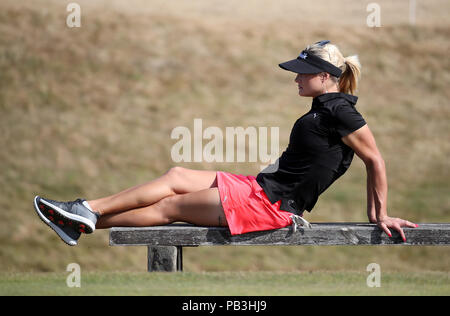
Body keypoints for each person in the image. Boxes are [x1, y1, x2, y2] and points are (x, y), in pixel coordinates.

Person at [33, 40, 417, 246]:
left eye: (302, 73)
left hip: (273, 207)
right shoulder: (323, 106)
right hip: (260, 189)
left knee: (171, 207)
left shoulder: (340, 111)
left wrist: (379, 216)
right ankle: (85, 211)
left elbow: (375, 160)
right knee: (176, 174)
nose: (295, 79)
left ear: (323, 75)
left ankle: (85, 221)